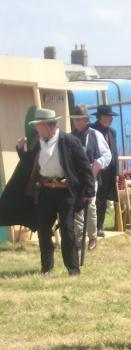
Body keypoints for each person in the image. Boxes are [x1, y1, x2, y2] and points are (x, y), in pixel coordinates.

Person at [0, 108, 94, 275]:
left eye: (38, 125)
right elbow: (30, 161)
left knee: (67, 229)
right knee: (43, 230)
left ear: (47, 126)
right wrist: (20, 150)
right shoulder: (38, 141)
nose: (36, 129)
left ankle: (73, 269)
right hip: (45, 192)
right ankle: (47, 268)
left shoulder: (69, 141)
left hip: (65, 192)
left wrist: (89, 192)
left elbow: (85, 167)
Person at [70, 105, 112, 251]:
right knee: (77, 208)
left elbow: (107, 155)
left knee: (91, 206)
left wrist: (97, 164)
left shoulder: (95, 135)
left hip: (90, 177)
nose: (78, 123)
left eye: (80, 120)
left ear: (87, 120)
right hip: (75, 178)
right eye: (75, 120)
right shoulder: (70, 137)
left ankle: (92, 237)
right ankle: (79, 239)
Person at [91, 105, 119, 237]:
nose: (110, 119)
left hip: (109, 171)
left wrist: (117, 172)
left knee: (103, 198)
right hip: (97, 171)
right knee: (95, 198)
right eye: (108, 117)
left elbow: (115, 153)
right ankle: (92, 226)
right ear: (100, 117)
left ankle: (100, 225)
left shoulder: (112, 132)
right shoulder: (92, 131)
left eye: (111, 117)